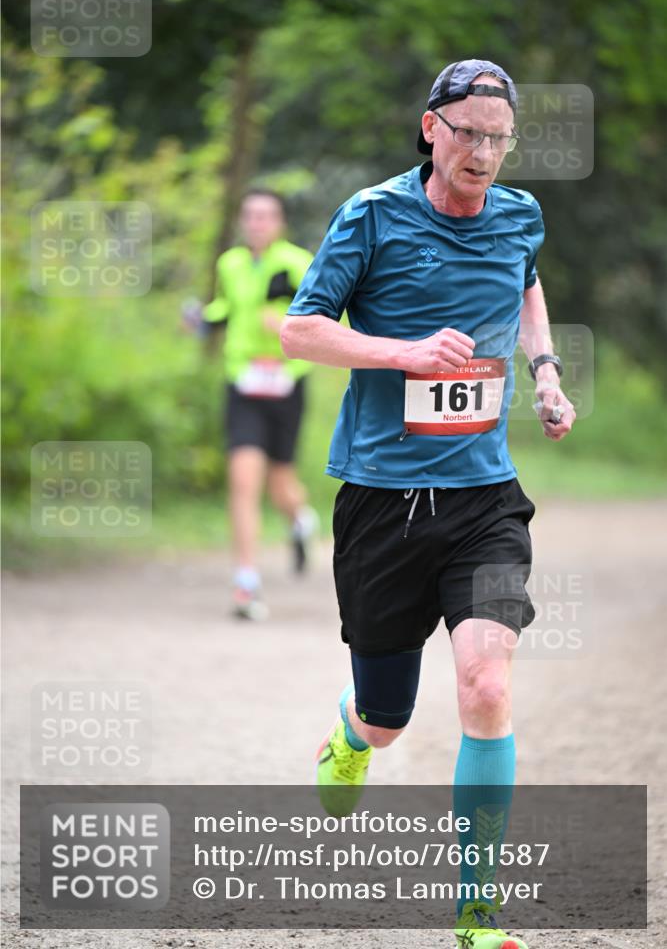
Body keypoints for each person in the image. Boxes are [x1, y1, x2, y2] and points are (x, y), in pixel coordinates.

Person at [281, 60, 575, 948]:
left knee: (486, 683)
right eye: (469, 133)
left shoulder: (519, 215)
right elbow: (299, 329)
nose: (483, 152)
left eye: (499, 136)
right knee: (387, 715)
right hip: (382, 498)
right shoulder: (371, 215)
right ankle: (349, 732)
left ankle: (475, 911)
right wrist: (401, 354)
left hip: (484, 498)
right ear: (429, 128)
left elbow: (524, 282)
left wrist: (546, 373)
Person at [189, 188, 317, 620]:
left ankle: (300, 521)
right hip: (242, 383)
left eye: (266, 216)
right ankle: (246, 583)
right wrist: (200, 320)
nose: (257, 223)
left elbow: (327, 318)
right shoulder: (231, 264)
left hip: (286, 383)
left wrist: (285, 324)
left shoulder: (299, 263)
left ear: (280, 222)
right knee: (244, 481)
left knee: (281, 485)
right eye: (251, 215)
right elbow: (224, 308)